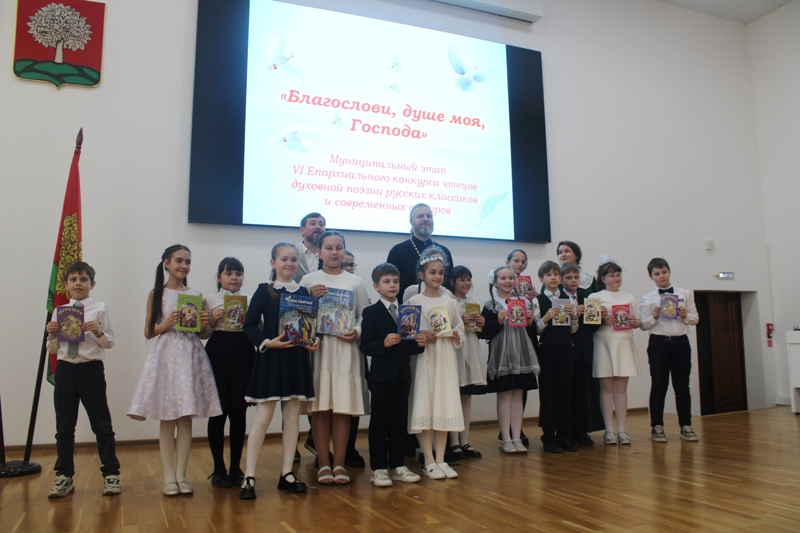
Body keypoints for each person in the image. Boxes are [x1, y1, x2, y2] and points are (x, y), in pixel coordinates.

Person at [128, 245, 222, 496]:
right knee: (168, 417)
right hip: (167, 357)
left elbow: (200, 333)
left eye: (187, 261)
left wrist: (206, 323)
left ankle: (182, 476)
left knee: (185, 417)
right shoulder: (156, 294)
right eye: (179, 260)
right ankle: (169, 476)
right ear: (166, 263)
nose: (183, 265)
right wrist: (167, 322)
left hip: (190, 355)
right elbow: (148, 332)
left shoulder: (196, 294)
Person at [238, 243, 319, 499]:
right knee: (262, 418)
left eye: (293, 259)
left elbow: (308, 326)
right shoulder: (265, 290)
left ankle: (287, 473)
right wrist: (266, 342)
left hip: (296, 360)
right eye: (284, 259)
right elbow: (249, 325)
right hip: (271, 359)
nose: (289, 263)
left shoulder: (303, 291)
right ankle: (249, 476)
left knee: (292, 418)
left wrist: (312, 340)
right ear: (273, 262)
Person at [300, 230, 370, 486]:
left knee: (342, 409)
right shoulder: (308, 280)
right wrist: (309, 297)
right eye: (328, 248)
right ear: (319, 251)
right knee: (320, 410)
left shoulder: (355, 281)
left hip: (346, 351)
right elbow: (298, 314)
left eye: (338, 247)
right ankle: (323, 463)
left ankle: (339, 463)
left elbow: (364, 316)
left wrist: (357, 331)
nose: (334, 252)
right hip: (319, 351)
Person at [45, 261, 120, 498]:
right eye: (73, 280)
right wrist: (51, 335)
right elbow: (54, 349)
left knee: (102, 425)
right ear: (66, 284)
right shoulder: (60, 311)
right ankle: (64, 476)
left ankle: (111, 474)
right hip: (66, 371)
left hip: (91, 371)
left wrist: (97, 331)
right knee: (64, 427)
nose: (78, 283)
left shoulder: (99, 308)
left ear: (92, 284)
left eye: (83, 279)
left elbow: (110, 342)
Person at [360, 263, 425, 487]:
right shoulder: (371, 312)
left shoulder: (408, 312)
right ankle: (379, 468)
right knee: (379, 423)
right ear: (376, 286)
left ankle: (398, 465)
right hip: (381, 377)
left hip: (403, 375)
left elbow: (410, 347)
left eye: (395, 281)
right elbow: (365, 346)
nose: (392, 285)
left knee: (399, 422)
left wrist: (420, 343)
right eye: (387, 281)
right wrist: (384, 343)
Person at [406, 249, 465, 480]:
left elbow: (459, 327)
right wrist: (420, 333)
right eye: (432, 272)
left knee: (443, 406)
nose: (437, 276)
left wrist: (457, 335)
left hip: (445, 359)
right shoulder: (413, 302)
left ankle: (441, 458)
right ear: (422, 275)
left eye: (441, 272)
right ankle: (428, 460)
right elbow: (406, 332)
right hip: (425, 360)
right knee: (426, 404)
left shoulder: (449, 302)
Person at [201, 257, 254, 488]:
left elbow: (257, 330)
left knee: (239, 412)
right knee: (218, 412)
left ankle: (235, 468)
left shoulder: (250, 299)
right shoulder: (208, 299)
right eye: (229, 273)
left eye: (238, 274)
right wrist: (212, 321)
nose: (234, 278)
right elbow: (201, 334)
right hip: (218, 354)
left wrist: (253, 320)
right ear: (219, 277)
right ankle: (218, 469)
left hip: (243, 354)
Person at [479, 265, 540, 454]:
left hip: (521, 354)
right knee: (505, 395)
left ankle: (517, 437)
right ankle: (506, 438)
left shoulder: (524, 303)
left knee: (518, 394)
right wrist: (497, 321)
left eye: (510, 278)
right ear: (495, 282)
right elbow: (482, 332)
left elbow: (532, 333)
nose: (507, 281)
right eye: (503, 278)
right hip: (501, 356)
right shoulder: (490, 305)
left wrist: (531, 322)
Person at [639, 258, 700, 443]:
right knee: (659, 386)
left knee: (682, 387)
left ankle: (686, 425)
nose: (661, 276)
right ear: (651, 277)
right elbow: (643, 325)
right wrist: (653, 317)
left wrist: (686, 315)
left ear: (669, 272)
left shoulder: (685, 293)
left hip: (680, 342)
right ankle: (657, 426)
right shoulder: (648, 298)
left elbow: (696, 318)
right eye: (657, 274)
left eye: (664, 272)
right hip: (658, 344)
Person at [587, 256, 641, 445]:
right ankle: (609, 430)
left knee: (621, 388)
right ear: (603, 278)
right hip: (603, 341)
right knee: (607, 387)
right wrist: (602, 319)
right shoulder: (594, 297)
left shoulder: (629, 297)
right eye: (611, 275)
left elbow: (638, 322)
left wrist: (634, 321)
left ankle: (622, 430)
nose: (616, 278)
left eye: (618, 275)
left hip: (624, 342)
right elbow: (590, 322)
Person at [535, 261, 579, 453]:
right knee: (548, 393)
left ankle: (563, 434)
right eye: (548, 275)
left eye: (555, 274)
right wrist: (546, 318)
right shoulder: (537, 300)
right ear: (541, 279)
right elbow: (536, 329)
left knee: (565, 392)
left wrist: (574, 317)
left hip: (566, 348)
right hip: (547, 349)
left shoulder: (568, 299)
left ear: (560, 278)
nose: (553, 278)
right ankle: (548, 437)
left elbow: (574, 330)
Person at [446, 266, 487, 460]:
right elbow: (447, 327)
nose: (466, 283)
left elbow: (477, 330)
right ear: (452, 282)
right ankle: (453, 441)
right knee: (454, 396)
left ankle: (465, 440)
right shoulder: (449, 302)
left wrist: (481, 323)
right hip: (456, 351)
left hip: (470, 349)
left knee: (467, 396)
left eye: (469, 279)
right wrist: (461, 320)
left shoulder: (473, 302)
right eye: (462, 279)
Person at [561, 263, 603, 446]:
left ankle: (581, 431)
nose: (573, 281)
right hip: (565, 351)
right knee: (566, 394)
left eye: (576, 277)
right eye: (569, 278)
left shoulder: (587, 298)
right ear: (562, 280)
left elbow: (593, 327)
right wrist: (574, 316)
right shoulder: (559, 299)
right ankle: (565, 432)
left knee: (581, 393)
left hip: (584, 351)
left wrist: (598, 316)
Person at [387, 203, 454, 302]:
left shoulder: (444, 252)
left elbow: (450, 285)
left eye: (429, 216)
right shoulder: (397, 251)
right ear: (411, 221)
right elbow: (389, 285)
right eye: (420, 216)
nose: (425, 219)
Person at [293, 212, 326, 283]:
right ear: (302, 230)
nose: (318, 227)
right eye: (313, 224)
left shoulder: (330, 255)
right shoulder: (292, 253)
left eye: (321, 224)